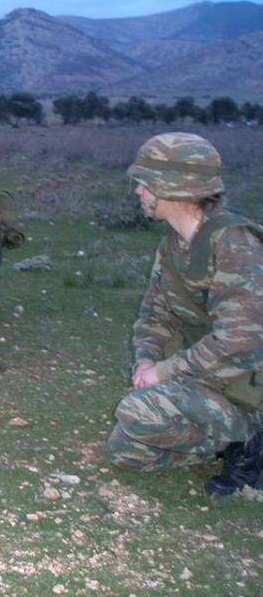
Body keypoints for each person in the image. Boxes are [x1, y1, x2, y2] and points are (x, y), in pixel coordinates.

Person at [106, 132, 263, 496]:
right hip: (211, 378)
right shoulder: (173, 246)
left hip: (249, 384)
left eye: (144, 183)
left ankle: (250, 444)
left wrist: (165, 371)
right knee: (125, 451)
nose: (138, 191)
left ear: (172, 186)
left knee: (136, 411)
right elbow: (154, 316)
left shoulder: (235, 244)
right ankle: (222, 437)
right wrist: (145, 362)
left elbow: (241, 339)